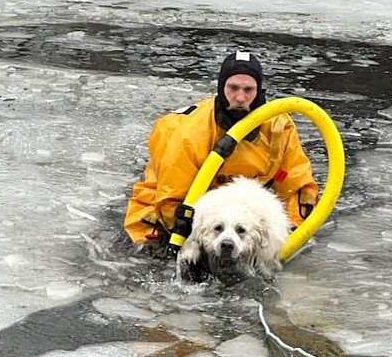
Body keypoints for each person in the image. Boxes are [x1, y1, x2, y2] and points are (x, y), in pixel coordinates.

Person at [123, 50, 319, 256]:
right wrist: (199, 238)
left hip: (238, 220)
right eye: (233, 88)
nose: (240, 97)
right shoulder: (186, 131)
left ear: (259, 91)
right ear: (220, 87)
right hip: (172, 215)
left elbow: (297, 186)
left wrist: (289, 233)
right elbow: (172, 200)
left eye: (248, 89)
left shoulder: (279, 127)